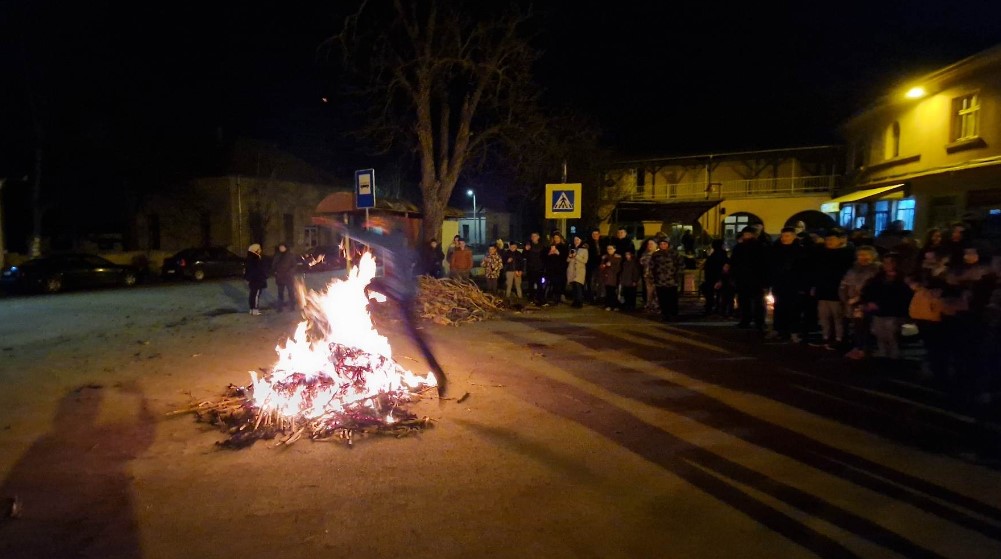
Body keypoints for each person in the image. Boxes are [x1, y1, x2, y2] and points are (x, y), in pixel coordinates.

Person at [859, 254, 913, 360]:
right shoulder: (877, 278)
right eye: (886, 262)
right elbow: (867, 291)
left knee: (892, 335)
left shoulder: (903, 279)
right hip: (878, 312)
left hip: (894, 313)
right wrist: (869, 302)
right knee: (880, 334)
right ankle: (883, 355)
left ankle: (895, 356)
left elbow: (903, 297)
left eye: (891, 262)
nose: (888, 265)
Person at [810, 228, 854, 350]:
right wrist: (814, 285)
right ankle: (826, 336)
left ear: (840, 240)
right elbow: (816, 271)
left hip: (838, 290)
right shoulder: (822, 252)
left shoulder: (847, 254)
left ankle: (839, 338)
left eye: (832, 239)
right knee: (824, 315)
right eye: (827, 239)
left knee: (837, 316)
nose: (829, 242)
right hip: (822, 288)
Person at [840, 246, 881, 360]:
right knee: (857, 326)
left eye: (866, 255)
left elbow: (874, 288)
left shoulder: (876, 270)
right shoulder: (853, 269)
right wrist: (845, 298)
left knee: (866, 326)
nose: (862, 257)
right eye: (860, 255)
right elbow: (844, 284)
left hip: (867, 303)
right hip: (852, 302)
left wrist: (861, 299)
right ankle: (858, 347)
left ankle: (865, 349)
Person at [768, 227, 807, 342]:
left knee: (793, 309)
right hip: (779, 283)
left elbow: (803, 269)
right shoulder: (776, 249)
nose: (785, 238)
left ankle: (793, 331)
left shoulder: (800, 250)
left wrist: (802, 285)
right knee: (779, 307)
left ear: (794, 236)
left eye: (788, 236)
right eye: (783, 236)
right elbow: (771, 265)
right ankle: (779, 329)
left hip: (794, 284)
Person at [730, 226, 769, 330]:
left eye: (748, 234)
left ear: (754, 235)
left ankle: (759, 322)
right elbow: (733, 263)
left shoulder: (761, 247)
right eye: (745, 234)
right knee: (744, 302)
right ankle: (745, 320)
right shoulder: (739, 247)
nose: (746, 236)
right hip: (743, 279)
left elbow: (765, 265)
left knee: (758, 302)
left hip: (756, 280)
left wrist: (765, 281)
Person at [649, 237, 685, 321]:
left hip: (672, 281)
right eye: (661, 244)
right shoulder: (655, 255)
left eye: (664, 244)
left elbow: (681, 265)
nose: (663, 245)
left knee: (672, 299)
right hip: (660, 281)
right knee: (662, 299)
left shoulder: (674, 254)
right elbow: (651, 266)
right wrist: (652, 277)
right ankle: (664, 314)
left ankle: (673, 314)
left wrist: (677, 275)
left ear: (668, 244)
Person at [701, 239, 729, 315]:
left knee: (711, 294)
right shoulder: (722, 255)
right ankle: (719, 308)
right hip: (718, 278)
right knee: (721, 294)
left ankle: (711, 307)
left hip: (712, 279)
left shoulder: (714, 256)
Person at [270, 242, 299, 312]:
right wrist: (275, 272)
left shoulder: (290, 256)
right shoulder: (277, 256)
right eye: (280, 247)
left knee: (290, 292)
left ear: (285, 248)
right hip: (280, 277)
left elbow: (294, 266)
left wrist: (290, 272)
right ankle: (280, 307)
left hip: (288, 277)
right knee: (280, 293)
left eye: (282, 247)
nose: (281, 248)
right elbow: (274, 265)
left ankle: (292, 306)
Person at [544, 233, 569, 305]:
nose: (556, 239)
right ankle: (554, 298)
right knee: (554, 283)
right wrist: (549, 253)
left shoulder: (563, 246)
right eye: (555, 237)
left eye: (557, 237)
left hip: (560, 269)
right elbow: (546, 257)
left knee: (559, 284)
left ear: (560, 238)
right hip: (552, 269)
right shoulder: (550, 246)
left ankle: (557, 299)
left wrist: (558, 253)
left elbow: (565, 258)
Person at [244, 243, 268, 315]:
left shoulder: (251, 258)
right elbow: (257, 270)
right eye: (259, 249)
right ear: (255, 250)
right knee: (256, 295)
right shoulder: (255, 259)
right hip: (257, 280)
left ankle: (252, 309)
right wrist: (263, 275)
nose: (260, 250)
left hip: (254, 280)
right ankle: (255, 310)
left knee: (253, 294)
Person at [566, 235, 589, 308]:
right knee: (574, 286)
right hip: (572, 270)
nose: (576, 241)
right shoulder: (572, 249)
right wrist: (570, 256)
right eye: (575, 240)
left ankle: (579, 302)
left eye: (577, 240)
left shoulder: (584, 250)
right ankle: (575, 301)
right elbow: (567, 260)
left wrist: (576, 256)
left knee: (578, 285)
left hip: (579, 270)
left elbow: (585, 260)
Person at [524, 232, 547, 305]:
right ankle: (531, 298)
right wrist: (526, 250)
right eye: (532, 236)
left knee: (540, 284)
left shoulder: (542, 245)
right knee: (531, 284)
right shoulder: (528, 245)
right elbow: (524, 255)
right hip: (531, 268)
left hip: (539, 268)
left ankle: (540, 299)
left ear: (538, 237)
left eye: (535, 236)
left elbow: (545, 256)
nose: (533, 237)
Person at [599, 244, 622, 311]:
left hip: (613, 277)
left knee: (612, 291)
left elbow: (618, 268)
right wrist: (602, 266)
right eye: (608, 249)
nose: (609, 250)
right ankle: (608, 305)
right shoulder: (605, 257)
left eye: (611, 249)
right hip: (606, 277)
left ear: (614, 249)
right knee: (608, 291)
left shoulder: (617, 257)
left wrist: (611, 265)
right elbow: (601, 266)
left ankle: (614, 305)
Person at [639, 238, 659, 312]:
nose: (649, 245)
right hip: (647, 276)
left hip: (657, 277)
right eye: (648, 244)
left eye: (651, 244)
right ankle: (649, 305)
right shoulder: (645, 254)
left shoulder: (658, 254)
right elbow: (641, 262)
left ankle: (656, 306)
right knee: (649, 292)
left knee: (656, 292)